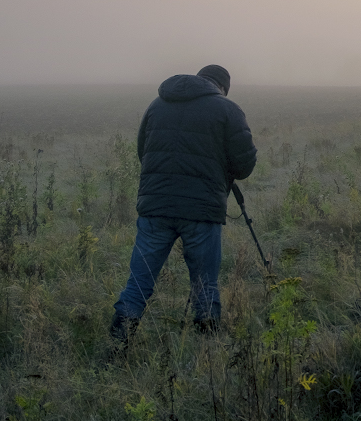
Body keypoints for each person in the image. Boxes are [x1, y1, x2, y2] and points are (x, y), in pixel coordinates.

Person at [109, 64, 257, 341]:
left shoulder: (157, 104)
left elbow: (143, 151)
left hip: (155, 207)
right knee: (205, 284)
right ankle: (207, 351)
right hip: (202, 211)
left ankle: (118, 344)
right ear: (222, 87)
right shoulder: (228, 110)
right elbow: (244, 165)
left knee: (139, 282)